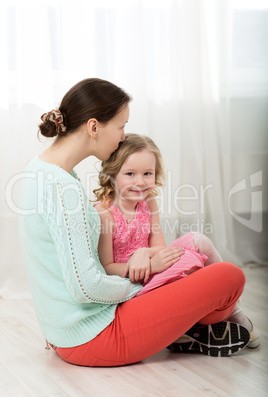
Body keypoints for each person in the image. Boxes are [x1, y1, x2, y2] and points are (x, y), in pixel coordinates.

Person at [19, 78, 259, 368]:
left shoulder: (43, 171)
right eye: (121, 126)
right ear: (94, 127)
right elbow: (87, 288)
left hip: (68, 331)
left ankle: (183, 330)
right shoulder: (63, 189)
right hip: (93, 336)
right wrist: (151, 283)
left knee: (201, 260)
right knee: (229, 277)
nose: (122, 137)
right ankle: (186, 330)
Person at [93, 133, 211, 297]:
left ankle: (224, 302)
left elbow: (159, 246)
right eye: (130, 174)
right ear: (111, 175)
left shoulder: (148, 202)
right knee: (188, 269)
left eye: (147, 173)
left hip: (154, 264)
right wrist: (151, 267)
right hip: (131, 283)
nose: (140, 182)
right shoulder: (104, 214)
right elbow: (107, 267)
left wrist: (144, 254)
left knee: (197, 242)